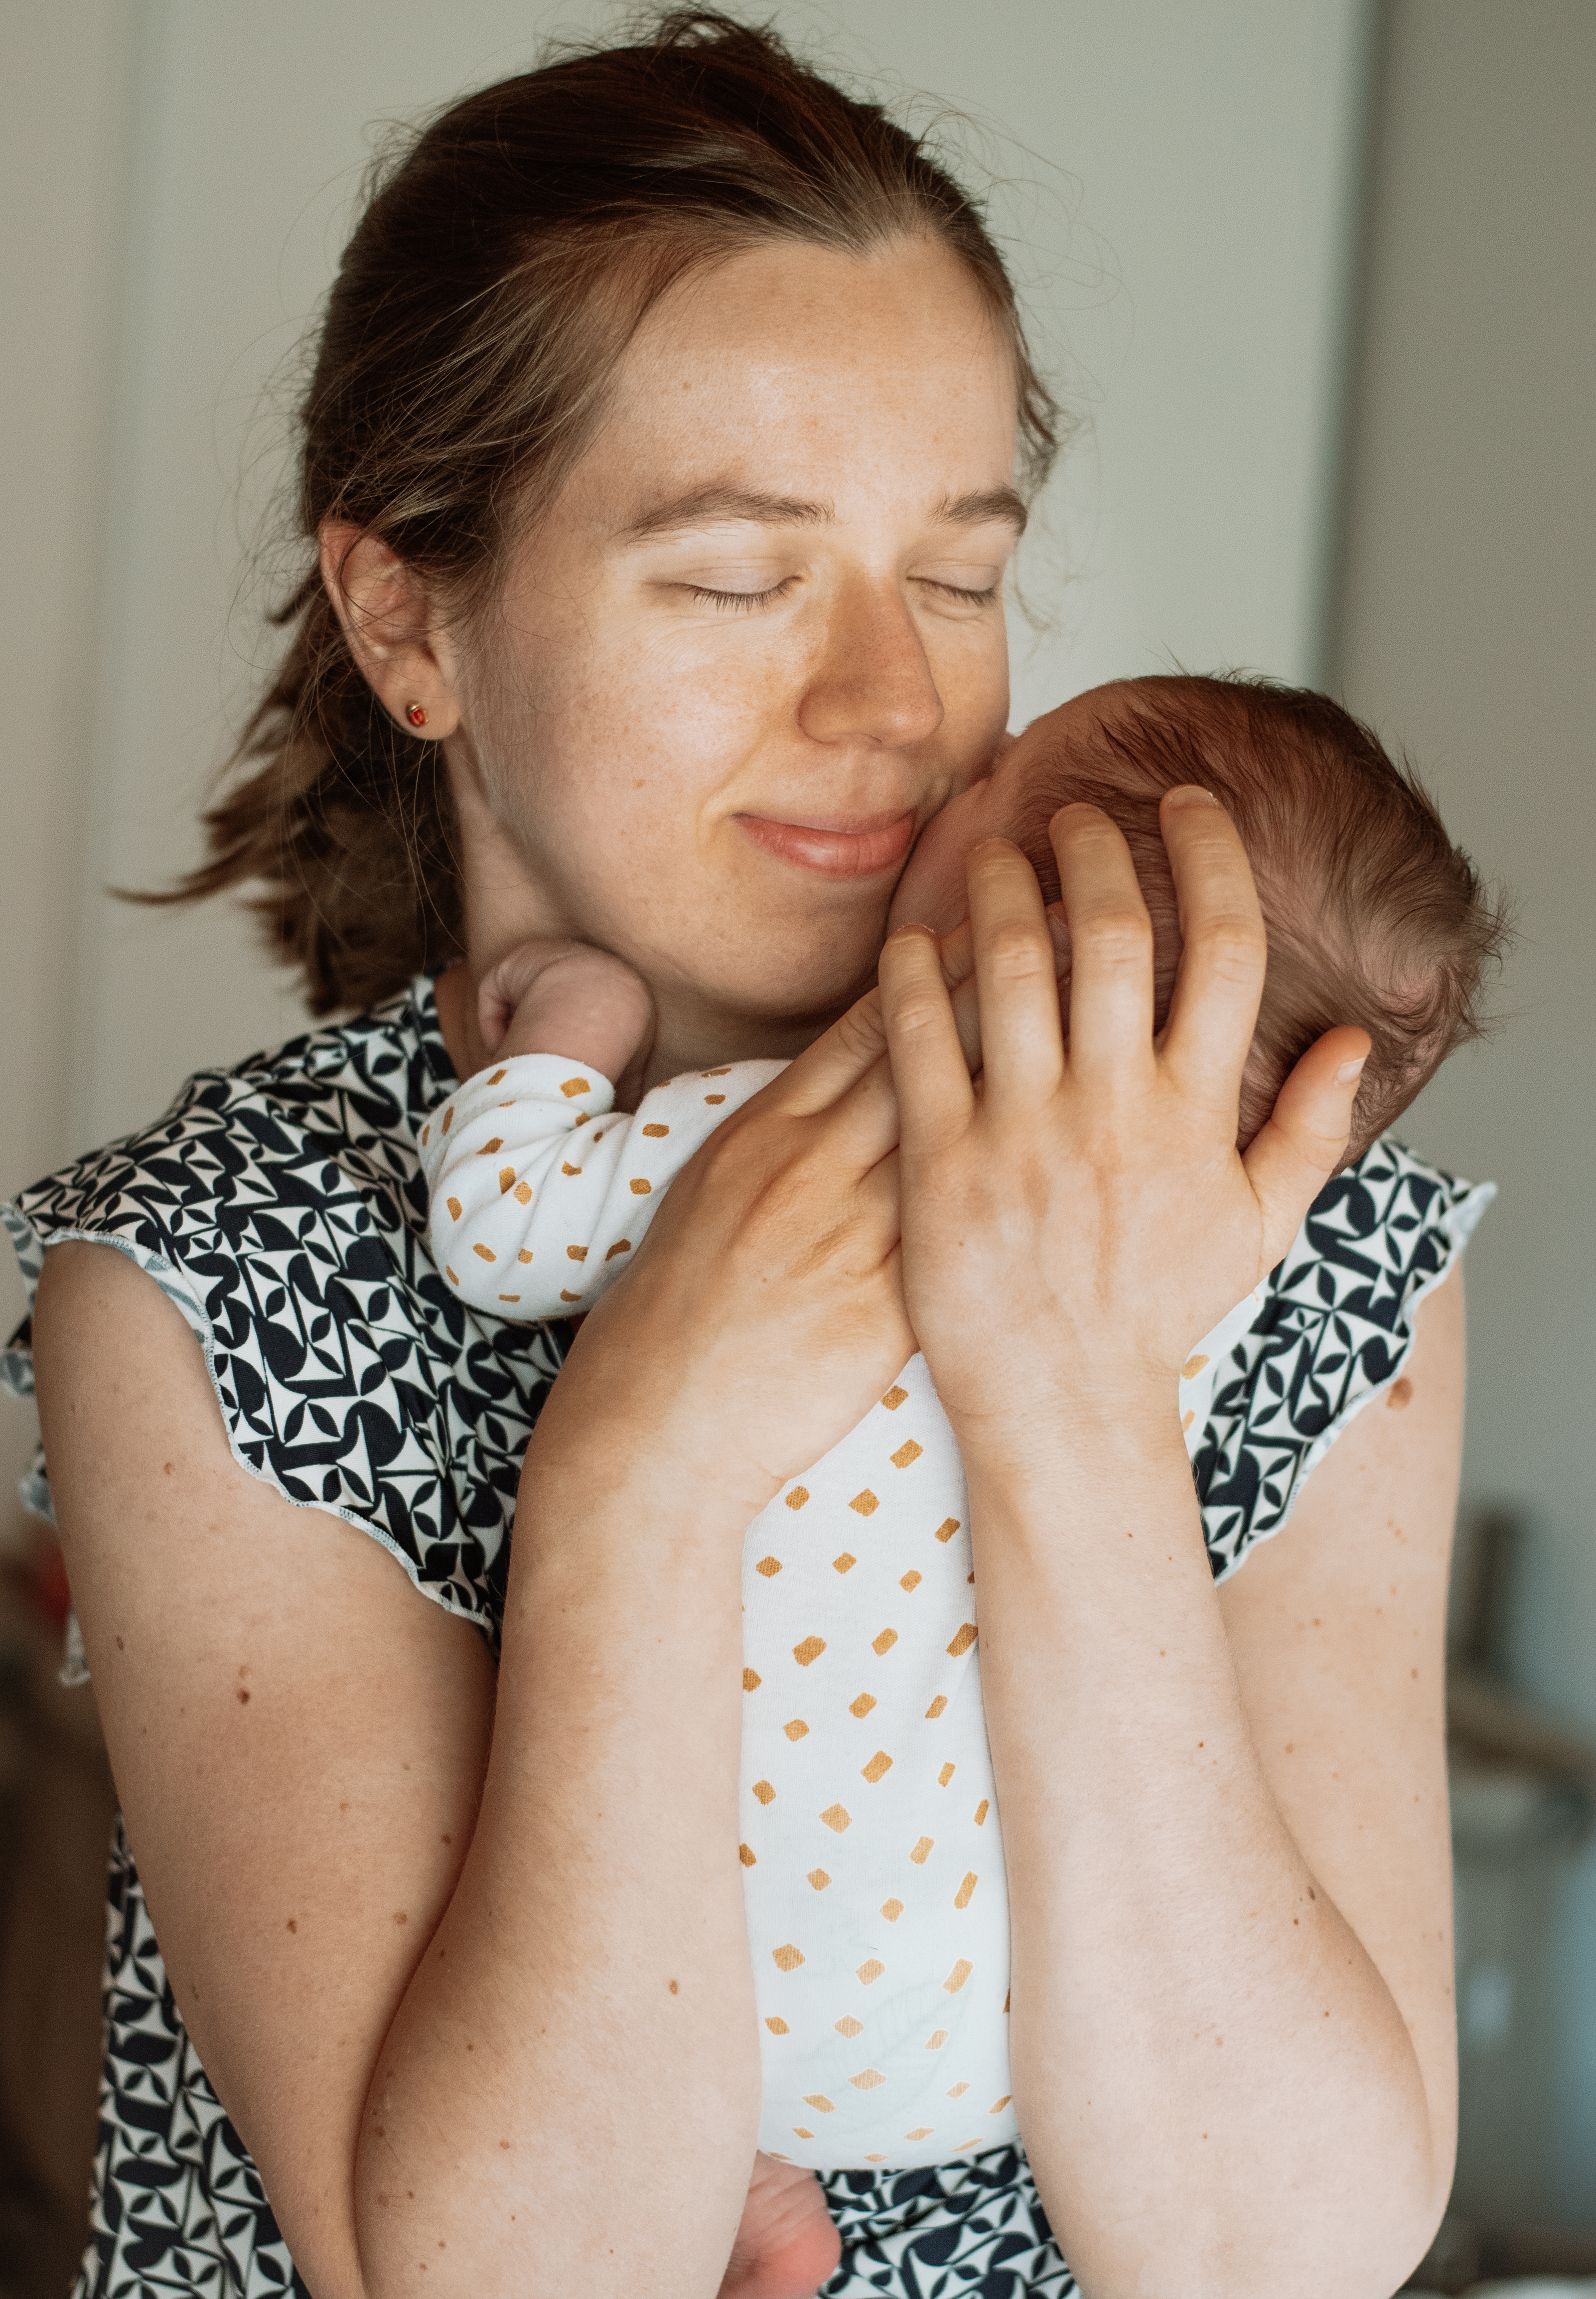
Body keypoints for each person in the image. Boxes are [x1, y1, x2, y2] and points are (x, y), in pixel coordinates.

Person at [5, 18, 1487, 2298]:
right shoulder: (214, 1281)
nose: (892, 703)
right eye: (732, 578)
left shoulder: (1286, 1206)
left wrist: (1066, 1390)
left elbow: (1270, 2255)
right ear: (410, 615)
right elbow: (499, 2272)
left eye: (959, 573)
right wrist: (636, 1462)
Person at [413, 669, 1501, 2292]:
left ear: (1008, 932)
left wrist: (579, 1027)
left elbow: (503, 1229)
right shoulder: (1225, 1267)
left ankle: (753, 2180)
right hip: (990, 2059)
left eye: (989, 784)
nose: (933, 753)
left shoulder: (770, 1144)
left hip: (685, 2028)